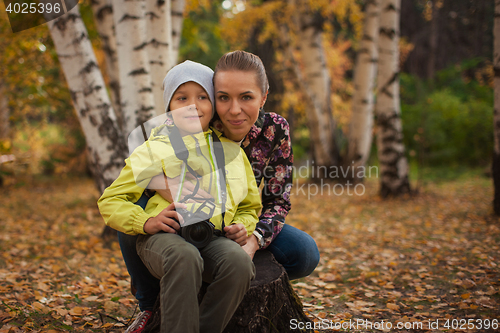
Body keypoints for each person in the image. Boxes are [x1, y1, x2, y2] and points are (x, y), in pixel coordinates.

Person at [120, 51, 320, 332]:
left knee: (304, 252)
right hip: (186, 212)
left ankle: (217, 265)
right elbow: (144, 152)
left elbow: (277, 199)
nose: (234, 109)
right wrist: (169, 188)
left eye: (247, 97)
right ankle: (149, 302)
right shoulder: (197, 118)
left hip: (238, 218)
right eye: (224, 97)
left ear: (263, 97)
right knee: (134, 211)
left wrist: (252, 238)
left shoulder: (275, 129)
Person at [98, 60, 261, 333]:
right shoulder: (153, 149)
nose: (192, 105)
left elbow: (250, 206)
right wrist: (145, 222)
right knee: (184, 257)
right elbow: (110, 200)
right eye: (181, 98)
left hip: (213, 238)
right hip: (164, 240)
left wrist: (243, 226)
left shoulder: (232, 152)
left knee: (239, 264)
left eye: (202, 97)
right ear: (169, 108)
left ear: (213, 105)